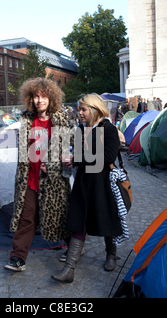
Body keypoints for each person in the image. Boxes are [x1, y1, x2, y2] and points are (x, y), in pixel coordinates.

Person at [51, 93, 122, 283]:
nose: (79, 112)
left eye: (83, 109)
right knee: (78, 222)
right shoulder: (81, 130)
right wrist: (70, 162)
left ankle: (111, 254)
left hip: (102, 184)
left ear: (95, 109)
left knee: (105, 220)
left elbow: (107, 158)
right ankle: (69, 269)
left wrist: (76, 159)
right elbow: (81, 158)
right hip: (83, 183)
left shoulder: (109, 129)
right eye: (78, 109)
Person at [4, 77, 72, 272]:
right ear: (31, 98)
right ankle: (18, 258)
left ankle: (74, 246)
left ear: (51, 98)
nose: (39, 100)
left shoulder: (60, 118)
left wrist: (53, 164)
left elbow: (66, 151)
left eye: (43, 96)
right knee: (27, 218)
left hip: (54, 180)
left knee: (59, 215)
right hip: (30, 178)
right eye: (36, 96)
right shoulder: (26, 119)